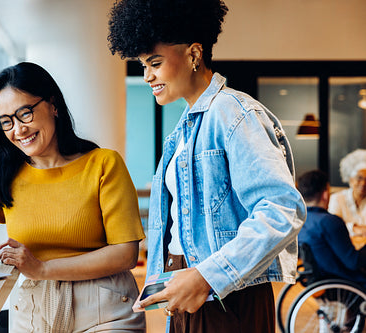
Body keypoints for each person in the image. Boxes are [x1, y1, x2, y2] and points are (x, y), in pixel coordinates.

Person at [107, 1, 306, 332]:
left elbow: (282, 208)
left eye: (154, 63)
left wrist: (207, 276)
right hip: (190, 289)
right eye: (143, 65)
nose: (147, 76)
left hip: (227, 296)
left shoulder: (234, 113)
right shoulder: (184, 129)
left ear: (193, 54)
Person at [0, 62, 146, 332]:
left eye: (25, 113)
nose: (18, 129)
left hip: (105, 310)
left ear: (53, 104)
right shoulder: (2, 174)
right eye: (6, 121)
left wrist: (43, 269)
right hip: (33, 312)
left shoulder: (103, 164)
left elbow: (125, 254)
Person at [297, 170, 366, 287]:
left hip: (319, 279)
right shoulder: (329, 222)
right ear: (325, 194)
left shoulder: (300, 220)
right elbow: (353, 262)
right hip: (345, 282)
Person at [329, 149, 366, 236]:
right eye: (359, 178)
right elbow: (332, 227)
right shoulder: (337, 199)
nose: (363, 183)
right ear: (350, 179)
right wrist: (354, 228)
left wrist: (350, 227)